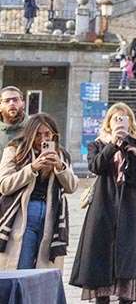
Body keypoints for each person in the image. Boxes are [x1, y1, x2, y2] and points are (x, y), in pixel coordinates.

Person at [69, 103, 136, 304]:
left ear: (131, 122)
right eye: (115, 118)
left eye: (124, 118)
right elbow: (96, 166)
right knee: (101, 256)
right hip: (104, 206)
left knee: (129, 256)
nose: (120, 121)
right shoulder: (98, 144)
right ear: (109, 122)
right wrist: (112, 145)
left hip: (131, 207)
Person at [0, 113, 78, 270]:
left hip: (52, 214)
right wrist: (32, 168)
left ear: (54, 135)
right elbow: (4, 185)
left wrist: (60, 167)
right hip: (24, 214)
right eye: (38, 135)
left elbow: (72, 187)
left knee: (43, 270)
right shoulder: (15, 150)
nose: (43, 140)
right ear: (30, 134)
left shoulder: (61, 155)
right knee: (22, 264)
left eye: (47, 134)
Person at [0, 86, 26, 150]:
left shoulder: (35, 128)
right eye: (7, 101)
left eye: (15, 100)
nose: (12, 103)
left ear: (23, 104)